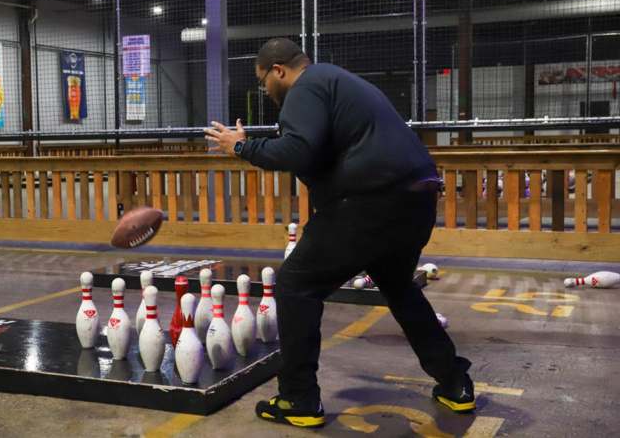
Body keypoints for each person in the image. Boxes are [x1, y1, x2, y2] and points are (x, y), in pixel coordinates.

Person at [204, 38, 475, 428]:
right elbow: (322, 153)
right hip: (417, 201)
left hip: (368, 204)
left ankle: (298, 399)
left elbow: (298, 151)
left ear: (279, 70)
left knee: (296, 286)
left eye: (263, 81)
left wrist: (242, 147)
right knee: (399, 288)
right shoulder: (338, 81)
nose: (265, 90)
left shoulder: (305, 87)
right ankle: (455, 384)